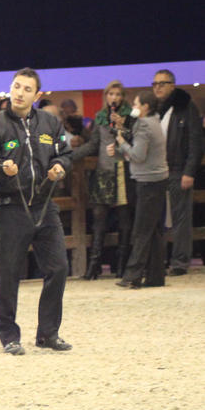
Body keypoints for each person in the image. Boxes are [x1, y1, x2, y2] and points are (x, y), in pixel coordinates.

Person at [0, 68, 72, 355]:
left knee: (59, 268)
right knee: (8, 273)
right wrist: (0, 169)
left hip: (45, 205)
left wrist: (60, 166)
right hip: (10, 207)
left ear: (37, 95)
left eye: (27, 89)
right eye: (16, 86)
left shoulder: (51, 123)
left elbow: (65, 154)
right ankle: (9, 335)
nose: (20, 93)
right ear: (10, 88)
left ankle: (48, 333)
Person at [71, 81, 135, 279]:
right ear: (106, 96)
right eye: (110, 94)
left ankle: (122, 267)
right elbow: (93, 146)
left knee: (125, 222)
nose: (114, 98)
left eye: (117, 94)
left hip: (123, 173)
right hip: (103, 173)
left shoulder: (131, 117)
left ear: (122, 96)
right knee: (99, 222)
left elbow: (136, 143)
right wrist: (69, 156)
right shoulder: (100, 118)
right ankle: (93, 268)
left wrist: (122, 126)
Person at [111, 90, 168, 288]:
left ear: (145, 107)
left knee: (142, 231)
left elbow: (138, 155)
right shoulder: (154, 121)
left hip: (148, 182)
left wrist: (121, 143)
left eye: (136, 105)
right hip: (157, 180)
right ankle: (155, 276)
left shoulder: (144, 125)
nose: (134, 108)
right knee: (153, 231)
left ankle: (132, 276)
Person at [152, 69, 203, 276]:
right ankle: (158, 261)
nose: (158, 87)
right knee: (157, 218)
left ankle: (180, 262)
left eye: (162, 83)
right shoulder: (154, 108)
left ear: (172, 85)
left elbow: (196, 141)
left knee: (181, 219)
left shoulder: (185, 107)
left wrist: (189, 171)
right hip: (157, 171)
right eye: (155, 83)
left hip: (177, 169)